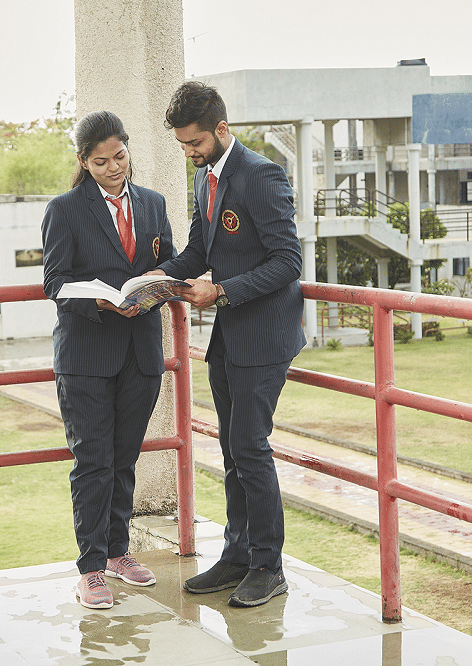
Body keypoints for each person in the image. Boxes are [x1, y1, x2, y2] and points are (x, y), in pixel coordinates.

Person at [150, 81, 305, 608]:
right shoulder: (205, 180)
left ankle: (269, 565)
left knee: (251, 449)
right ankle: (237, 556)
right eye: (182, 147)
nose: (189, 154)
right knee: (232, 453)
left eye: (194, 144)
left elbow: (289, 262)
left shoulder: (262, 176)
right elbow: (198, 249)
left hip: (265, 336)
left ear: (220, 130)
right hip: (229, 337)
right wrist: (153, 281)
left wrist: (222, 291)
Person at [41, 110, 177, 610]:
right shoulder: (64, 209)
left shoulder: (154, 203)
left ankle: (119, 553)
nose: (114, 167)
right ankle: (91, 568)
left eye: (119, 156)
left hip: (141, 351)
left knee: (124, 458)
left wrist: (161, 282)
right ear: (84, 162)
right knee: (93, 462)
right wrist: (95, 300)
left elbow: (170, 258)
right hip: (87, 353)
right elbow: (54, 281)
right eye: (101, 162)